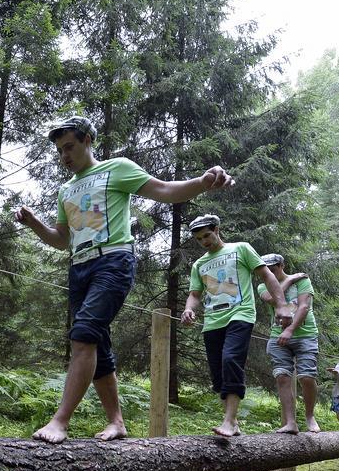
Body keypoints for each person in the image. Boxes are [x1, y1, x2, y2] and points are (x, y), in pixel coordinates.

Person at [15, 117, 234, 443]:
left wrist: (202, 182)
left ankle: (60, 421)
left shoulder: (116, 168)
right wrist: (34, 223)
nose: (65, 156)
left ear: (88, 140)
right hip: (79, 268)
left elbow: (164, 190)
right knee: (96, 344)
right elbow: (62, 239)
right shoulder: (66, 190)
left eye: (70, 147)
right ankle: (116, 422)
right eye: (60, 151)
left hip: (113, 261)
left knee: (84, 335)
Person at [181, 216, 293, 437]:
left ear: (217, 230)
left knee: (231, 359)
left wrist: (281, 305)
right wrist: (189, 309)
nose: (204, 241)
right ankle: (231, 423)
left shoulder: (240, 249)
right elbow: (195, 294)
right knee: (218, 373)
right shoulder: (199, 264)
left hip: (240, 314)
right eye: (199, 239)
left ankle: (229, 421)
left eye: (207, 235)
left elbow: (266, 275)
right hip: (212, 320)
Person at [256, 254, 320, 434]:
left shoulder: (303, 282)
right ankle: (291, 422)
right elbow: (271, 298)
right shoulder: (263, 285)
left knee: (306, 377)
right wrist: (290, 279)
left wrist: (290, 330)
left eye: (273, 269)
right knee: (282, 377)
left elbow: (304, 307)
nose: (271, 273)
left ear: (281, 265)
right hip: (277, 336)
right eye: (267, 270)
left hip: (305, 335)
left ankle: (309, 415)